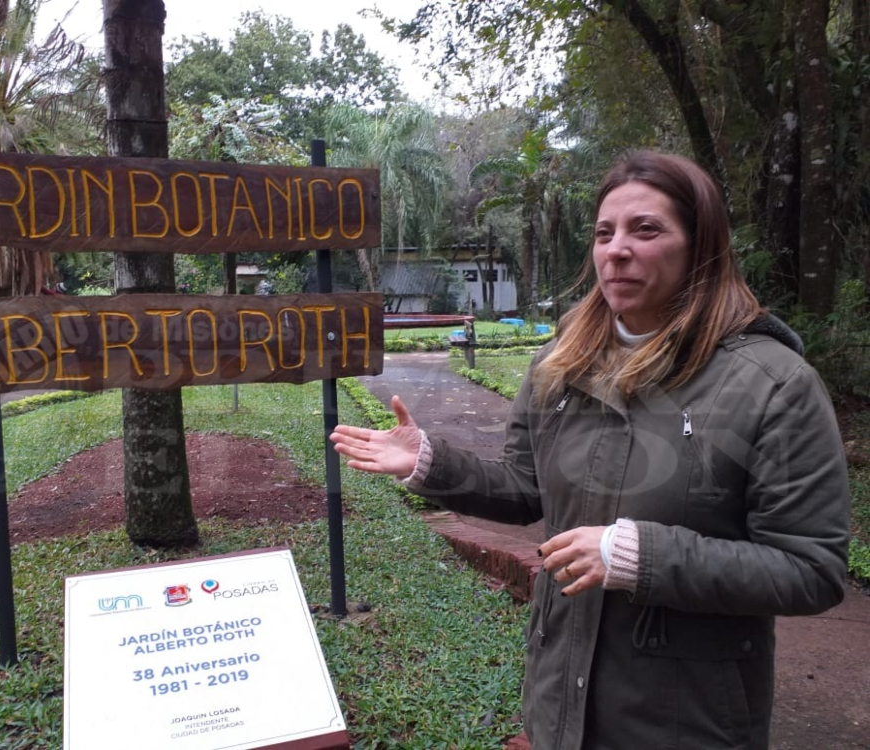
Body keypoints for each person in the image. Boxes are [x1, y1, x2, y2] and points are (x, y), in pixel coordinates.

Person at [330, 150, 851, 749]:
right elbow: (528, 490)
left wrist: (639, 555)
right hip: (560, 701)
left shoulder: (771, 383)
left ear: (701, 246)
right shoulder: (562, 365)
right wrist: (429, 461)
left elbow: (812, 570)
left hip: (689, 720)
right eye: (604, 233)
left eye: (645, 229)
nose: (616, 249)